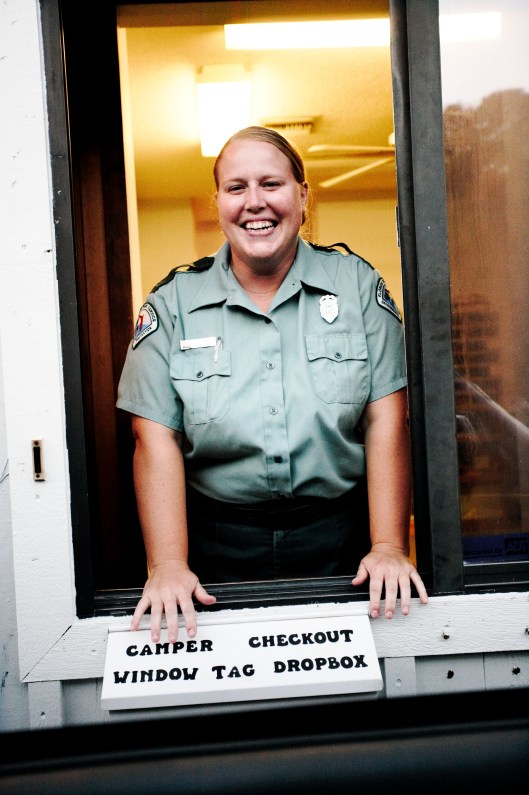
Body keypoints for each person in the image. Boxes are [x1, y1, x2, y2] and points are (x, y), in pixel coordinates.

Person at [117, 125, 428, 644]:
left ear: (303, 196)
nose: (254, 203)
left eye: (272, 184)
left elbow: (387, 419)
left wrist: (390, 545)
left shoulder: (355, 285)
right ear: (218, 201)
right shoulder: (173, 302)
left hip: (342, 539)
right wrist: (167, 563)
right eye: (236, 187)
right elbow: (154, 438)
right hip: (215, 544)